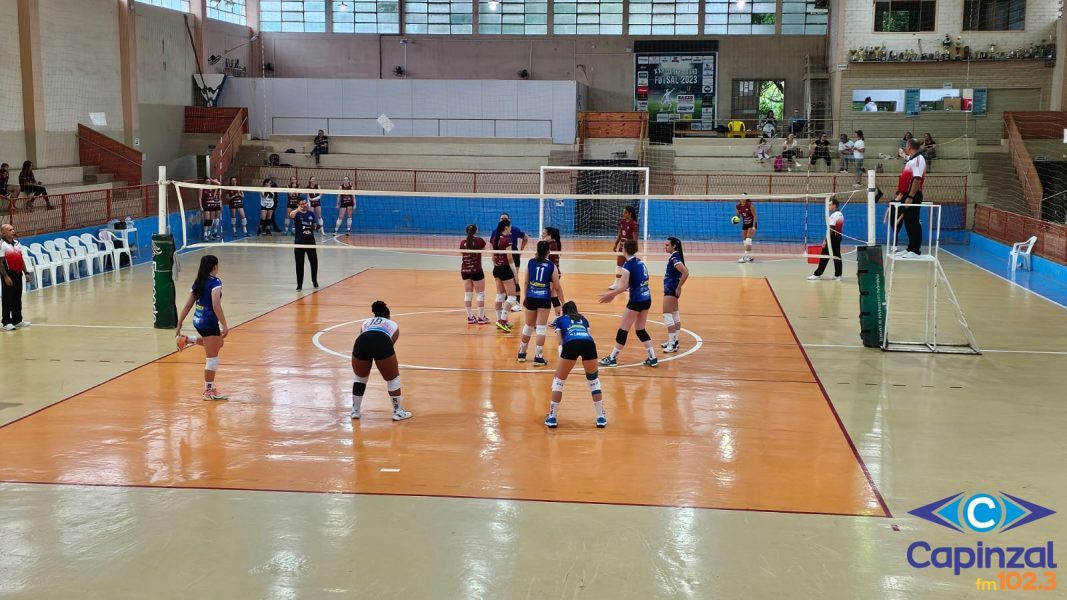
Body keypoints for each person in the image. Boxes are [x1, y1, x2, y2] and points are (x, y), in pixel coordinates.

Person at [175, 254, 229, 400]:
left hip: (198, 321)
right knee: (212, 359)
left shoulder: (198, 282)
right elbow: (216, 304)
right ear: (214, 267)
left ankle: (186, 339)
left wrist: (179, 323)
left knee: (219, 343)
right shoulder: (215, 282)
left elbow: (188, 304)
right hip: (209, 322)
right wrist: (224, 324)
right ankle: (208, 391)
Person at [544, 301, 606, 429]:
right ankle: (601, 417)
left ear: (564, 311)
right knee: (593, 381)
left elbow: (560, 341)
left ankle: (552, 417)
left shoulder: (560, 320)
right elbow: (589, 336)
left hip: (571, 344)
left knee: (558, 381)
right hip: (589, 344)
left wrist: (561, 362)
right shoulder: (583, 319)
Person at [598, 239, 657, 368]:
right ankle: (652, 357)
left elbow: (623, 286)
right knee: (640, 329)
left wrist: (610, 295)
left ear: (624, 249)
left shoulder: (628, 266)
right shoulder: (640, 262)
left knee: (623, 330)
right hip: (646, 298)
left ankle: (612, 358)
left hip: (636, 300)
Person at [350, 300, 412, 421]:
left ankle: (355, 411)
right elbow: (389, 345)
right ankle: (398, 412)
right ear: (388, 316)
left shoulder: (366, 322)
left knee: (360, 378)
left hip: (361, 342)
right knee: (393, 379)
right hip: (382, 341)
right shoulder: (393, 324)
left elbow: (364, 337)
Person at [518, 240, 564, 367]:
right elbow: (557, 286)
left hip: (531, 297)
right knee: (541, 327)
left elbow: (526, 282)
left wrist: (525, 297)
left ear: (537, 250)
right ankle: (538, 357)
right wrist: (563, 302)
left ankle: (522, 353)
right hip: (544, 298)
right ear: (548, 251)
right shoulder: (551, 266)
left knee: (528, 326)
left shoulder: (530, 263)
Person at [892, 138, 926, 258]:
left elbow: (917, 179)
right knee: (908, 222)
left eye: (906, 146)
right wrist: (903, 156)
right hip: (906, 194)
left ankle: (915, 250)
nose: (905, 148)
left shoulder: (919, 159)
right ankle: (910, 248)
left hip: (913, 195)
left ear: (910, 147)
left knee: (913, 222)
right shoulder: (913, 159)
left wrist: (910, 196)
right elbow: (909, 160)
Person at [494, 212, 528, 312]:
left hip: (513, 256)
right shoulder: (495, 232)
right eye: (501, 218)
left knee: (514, 280)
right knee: (503, 283)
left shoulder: (515, 230)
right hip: (501, 260)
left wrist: (521, 250)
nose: (502, 220)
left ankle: (516, 303)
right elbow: (492, 248)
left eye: (505, 219)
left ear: (509, 220)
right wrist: (495, 260)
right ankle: (507, 303)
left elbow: (525, 237)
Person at [660, 237, 689, 353]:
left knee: (667, 315)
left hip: (671, 289)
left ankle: (671, 344)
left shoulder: (675, 258)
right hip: (672, 288)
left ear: (674, 246)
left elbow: (686, 273)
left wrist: (678, 287)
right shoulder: (675, 257)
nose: (665, 247)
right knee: (675, 315)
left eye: (667, 245)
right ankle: (675, 341)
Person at [490, 219, 518, 331]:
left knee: (500, 295)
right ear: (506, 227)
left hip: (496, 269)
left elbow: (492, 256)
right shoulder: (507, 240)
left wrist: (497, 266)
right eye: (510, 226)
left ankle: (499, 322)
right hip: (505, 269)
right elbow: (510, 258)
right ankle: (502, 320)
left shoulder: (494, 238)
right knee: (511, 297)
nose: (511, 228)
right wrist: (515, 274)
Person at [0, 224, 31, 331]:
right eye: (10, 230)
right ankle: (6, 322)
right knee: (7, 298)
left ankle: (17, 320)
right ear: (3, 232)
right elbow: (0, 262)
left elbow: (20, 258)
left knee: (17, 297)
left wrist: (26, 272)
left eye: (13, 229)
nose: (13, 231)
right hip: (8, 274)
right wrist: (6, 277)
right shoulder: (2, 244)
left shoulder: (17, 243)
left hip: (18, 273)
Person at [808, 199, 845, 281]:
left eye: (830, 204)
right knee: (836, 256)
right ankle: (838, 275)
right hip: (837, 238)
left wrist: (825, 240)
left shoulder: (835, 215)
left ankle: (817, 274)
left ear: (834, 205)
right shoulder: (838, 214)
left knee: (825, 255)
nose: (829, 206)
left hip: (833, 238)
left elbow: (832, 229)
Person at [460, 224, 489, 325]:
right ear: (476, 231)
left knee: (468, 294)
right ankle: (481, 318)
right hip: (476, 271)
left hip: (465, 271)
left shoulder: (462, 242)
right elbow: (484, 249)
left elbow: (461, 254)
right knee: (480, 294)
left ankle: (470, 317)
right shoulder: (479, 240)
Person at [289, 198, 320, 290]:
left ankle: (314, 281)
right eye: (301, 204)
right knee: (299, 265)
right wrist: (298, 209)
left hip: (310, 242)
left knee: (314, 263)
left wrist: (316, 228)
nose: (304, 205)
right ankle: (299, 285)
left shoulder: (311, 214)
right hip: (299, 243)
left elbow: (314, 226)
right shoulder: (296, 213)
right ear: (298, 205)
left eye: (305, 203)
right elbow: (291, 215)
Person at [609, 206, 638, 290]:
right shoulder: (622, 221)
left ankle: (630, 284)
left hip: (629, 247)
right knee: (619, 264)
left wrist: (634, 248)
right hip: (622, 247)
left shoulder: (634, 224)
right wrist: (616, 244)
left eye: (625, 212)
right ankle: (617, 283)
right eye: (623, 212)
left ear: (630, 214)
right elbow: (619, 234)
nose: (623, 214)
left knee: (629, 265)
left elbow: (635, 238)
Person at [542, 227, 563, 322]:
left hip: (552, 274)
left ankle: (540, 319)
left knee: (545, 296)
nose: (542, 235)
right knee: (553, 296)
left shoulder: (550, 246)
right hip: (555, 273)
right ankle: (558, 318)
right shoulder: (553, 244)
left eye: (544, 233)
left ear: (550, 236)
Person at [736, 194, 758, 263]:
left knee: (748, 240)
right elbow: (738, 217)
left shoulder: (750, 205)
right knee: (745, 241)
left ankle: (744, 257)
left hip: (751, 224)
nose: (741, 198)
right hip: (745, 224)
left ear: (746, 198)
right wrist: (735, 219)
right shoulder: (738, 206)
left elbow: (755, 216)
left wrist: (754, 226)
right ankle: (749, 256)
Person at [200, 176, 222, 240]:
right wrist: (200, 206)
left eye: (209, 182)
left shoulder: (212, 188)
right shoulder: (202, 188)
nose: (208, 183)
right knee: (207, 221)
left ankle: (209, 234)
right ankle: (205, 235)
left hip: (212, 206)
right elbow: (199, 198)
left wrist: (212, 180)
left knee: (211, 221)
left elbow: (219, 184)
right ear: (204, 182)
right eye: (207, 181)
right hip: (206, 206)